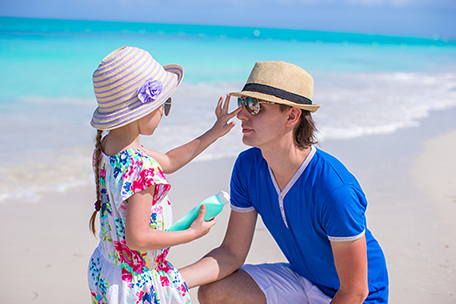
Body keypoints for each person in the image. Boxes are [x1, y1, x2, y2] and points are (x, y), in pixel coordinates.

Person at [179, 61, 389, 303]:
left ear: (291, 115)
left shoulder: (334, 189)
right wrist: (169, 282)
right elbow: (231, 253)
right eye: (243, 103)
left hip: (357, 296)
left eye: (256, 106)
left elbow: (355, 290)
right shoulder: (247, 167)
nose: (243, 115)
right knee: (213, 291)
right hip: (302, 279)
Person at [87, 46, 241, 304]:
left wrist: (213, 132)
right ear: (140, 110)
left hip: (109, 271)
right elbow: (138, 238)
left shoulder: (107, 148)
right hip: (137, 285)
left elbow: (169, 161)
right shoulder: (139, 167)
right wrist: (192, 233)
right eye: (163, 105)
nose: (163, 113)